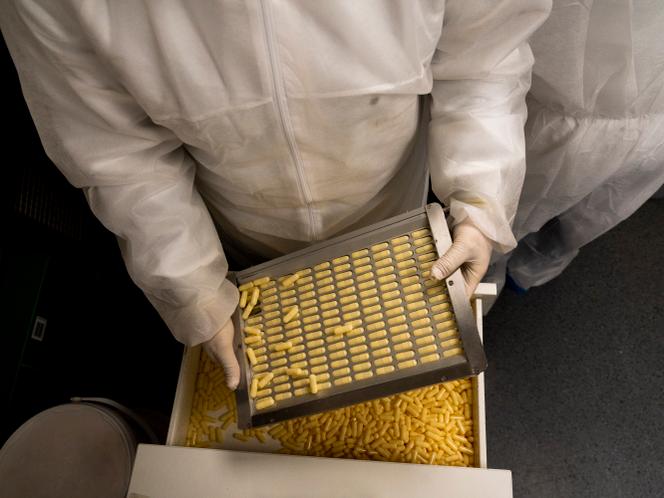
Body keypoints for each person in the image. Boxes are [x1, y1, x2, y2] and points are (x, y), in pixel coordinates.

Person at [1, 1, 550, 389]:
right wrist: (191, 287)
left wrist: (480, 197)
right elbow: (118, 154)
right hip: (245, 224)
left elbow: (484, 58)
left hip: (394, 213)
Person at [496, 0, 664, 290]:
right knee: (581, 203)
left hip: (573, 104)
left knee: (521, 204)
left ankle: (496, 270)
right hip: (583, 103)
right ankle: (520, 264)